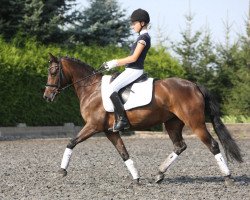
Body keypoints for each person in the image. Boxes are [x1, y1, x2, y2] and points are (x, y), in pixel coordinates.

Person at [104, 8, 151, 132]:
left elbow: (134, 57)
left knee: (111, 88)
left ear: (142, 23)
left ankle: (122, 120)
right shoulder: (141, 37)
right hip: (131, 70)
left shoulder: (144, 38)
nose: (132, 26)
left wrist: (115, 62)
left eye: (134, 23)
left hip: (134, 70)